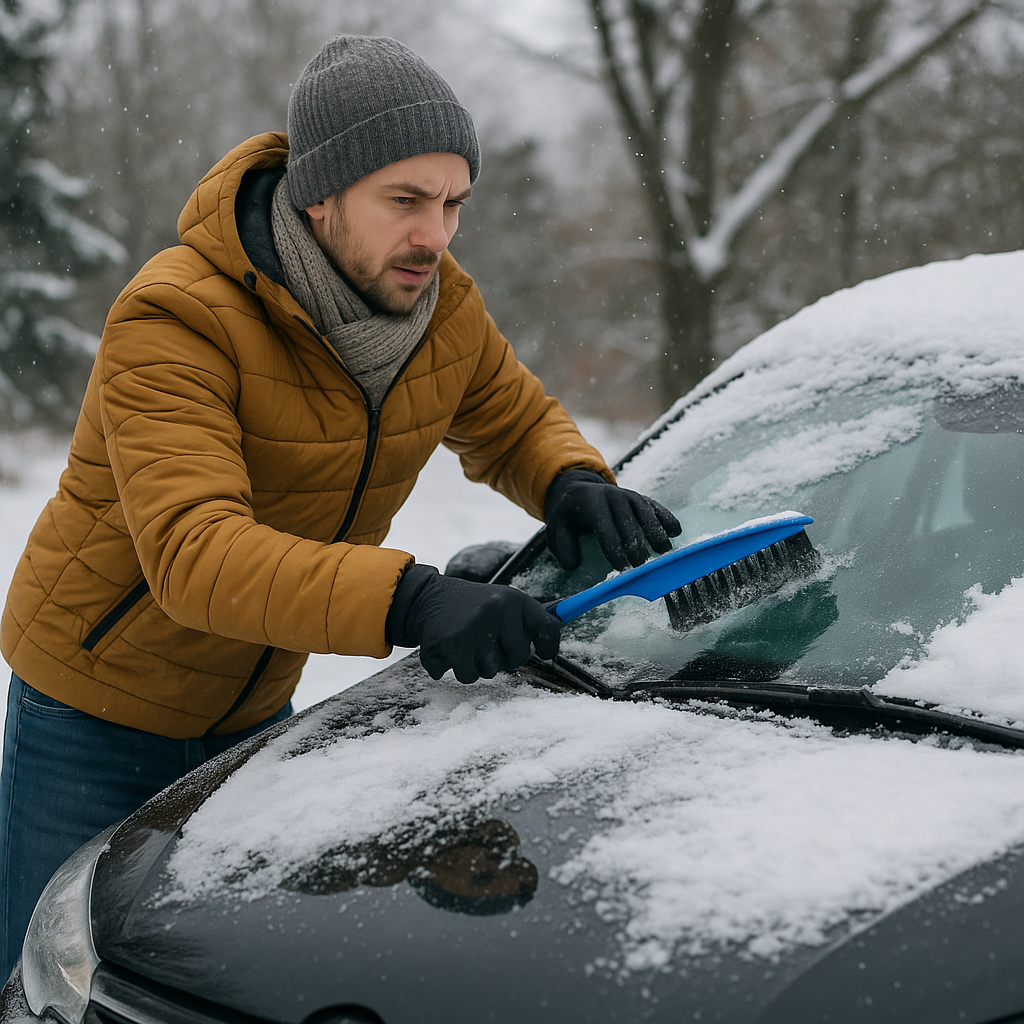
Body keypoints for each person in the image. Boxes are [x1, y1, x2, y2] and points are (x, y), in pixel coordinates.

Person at [0, 34, 679, 977]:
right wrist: (413, 599)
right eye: (405, 200)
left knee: (196, 970)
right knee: (53, 974)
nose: (435, 236)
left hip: (252, 702)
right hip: (96, 707)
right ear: (320, 196)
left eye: (452, 205)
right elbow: (196, 555)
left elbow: (511, 419)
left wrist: (572, 482)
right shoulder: (175, 317)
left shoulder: (439, 307)